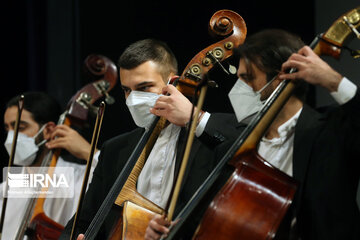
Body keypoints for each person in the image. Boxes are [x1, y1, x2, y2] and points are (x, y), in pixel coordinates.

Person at [145, 29, 360, 240]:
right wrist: (169, 232)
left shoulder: (331, 131)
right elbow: (213, 225)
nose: (240, 87)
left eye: (248, 78)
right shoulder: (235, 151)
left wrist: (333, 80)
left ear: (279, 78)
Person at [59, 38, 240, 240]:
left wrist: (195, 118)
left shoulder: (209, 136)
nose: (133, 99)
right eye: (127, 90)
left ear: (173, 82)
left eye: (144, 88)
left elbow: (245, 149)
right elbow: (80, 223)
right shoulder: (114, 149)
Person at [1, 91, 99, 239]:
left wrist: (90, 152)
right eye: (8, 129)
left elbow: (119, 181)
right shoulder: (5, 188)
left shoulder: (80, 177)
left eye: (20, 128)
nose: (11, 137)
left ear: (47, 130)